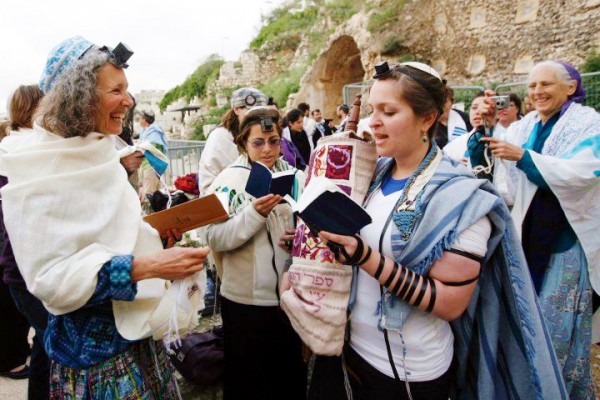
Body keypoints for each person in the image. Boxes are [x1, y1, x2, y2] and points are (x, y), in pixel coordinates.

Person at [302, 61, 566, 400]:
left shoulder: (460, 197)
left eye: (389, 111)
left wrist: (365, 257)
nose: (373, 122)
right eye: (372, 110)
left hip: (406, 371)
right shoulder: (372, 174)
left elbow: (450, 303)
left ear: (427, 119)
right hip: (349, 351)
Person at [0, 36, 210, 399]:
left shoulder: (99, 153)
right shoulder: (37, 169)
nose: (129, 101)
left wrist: (159, 240)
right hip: (98, 364)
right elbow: (52, 280)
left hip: (142, 339)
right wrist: (146, 267)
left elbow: (113, 235)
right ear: (78, 98)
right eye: (116, 90)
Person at [472, 60, 600, 399]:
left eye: (545, 84)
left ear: (571, 87)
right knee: (523, 321)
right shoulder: (523, 126)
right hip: (523, 239)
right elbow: (497, 176)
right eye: (531, 86)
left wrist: (524, 157)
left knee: (554, 330)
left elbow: (583, 176)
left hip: (563, 243)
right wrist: (485, 129)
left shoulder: (589, 124)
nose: (537, 92)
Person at [200, 106, 307, 400]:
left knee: (288, 376)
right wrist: (253, 215)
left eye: (273, 142)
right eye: (258, 142)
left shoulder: (296, 177)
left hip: (289, 297)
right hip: (246, 303)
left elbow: (312, 224)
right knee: (249, 381)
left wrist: (300, 236)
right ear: (243, 143)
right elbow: (212, 237)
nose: (267, 150)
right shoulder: (226, 182)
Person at [0, 84, 50, 397]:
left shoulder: (10, 147)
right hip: (24, 266)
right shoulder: (28, 152)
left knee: (46, 339)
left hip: (15, 265)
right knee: (49, 339)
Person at [197, 87, 267, 195]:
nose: (256, 117)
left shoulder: (252, 133)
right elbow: (240, 174)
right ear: (236, 109)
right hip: (220, 199)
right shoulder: (221, 137)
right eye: (250, 111)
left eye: (260, 113)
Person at [138, 109, 168, 200]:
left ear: (144, 120)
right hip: (145, 167)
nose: (139, 120)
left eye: (140, 118)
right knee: (155, 194)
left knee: (149, 195)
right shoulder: (145, 132)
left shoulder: (153, 132)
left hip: (151, 167)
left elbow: (149, 147)